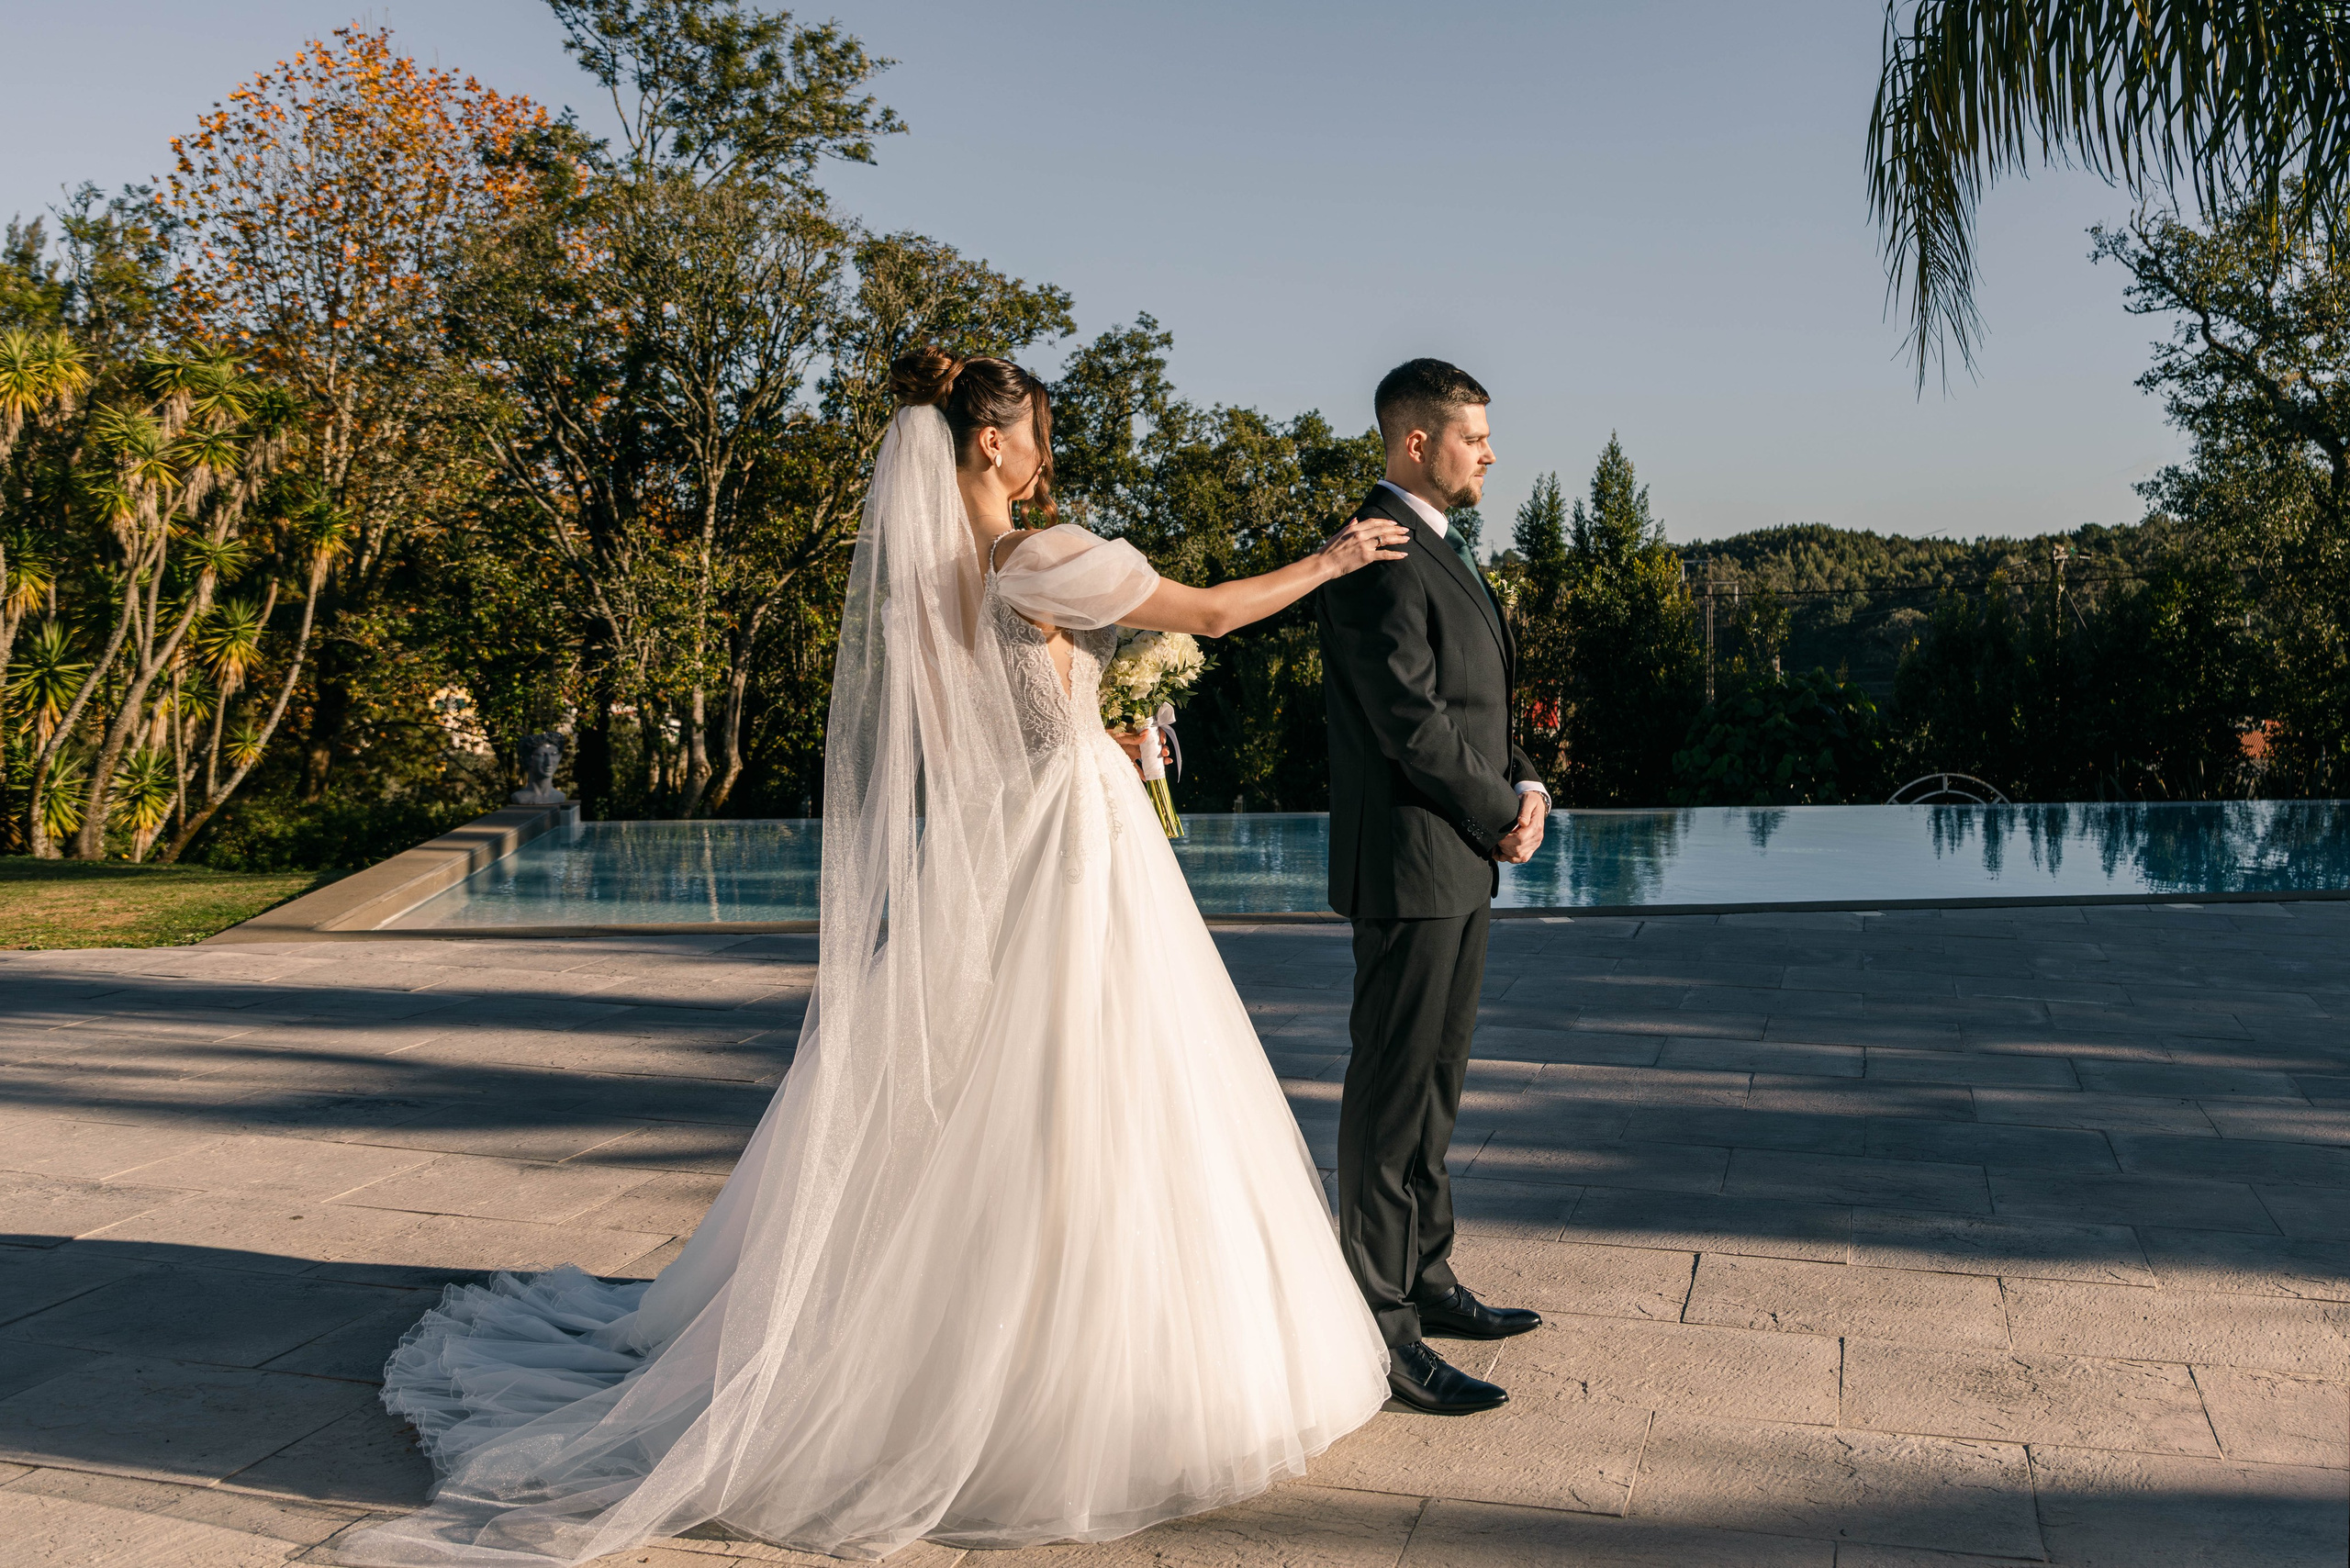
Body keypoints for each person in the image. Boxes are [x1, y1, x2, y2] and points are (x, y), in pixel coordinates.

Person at [350, 350, 1412, 1565]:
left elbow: (998, 726)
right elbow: (1213, 613)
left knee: (1003, 1108)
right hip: (1076, 861)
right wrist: (1333, 559)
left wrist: (1104, 715)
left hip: (1002, 862)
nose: (1045, 454)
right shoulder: (1033, 557)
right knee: (1096, 1101)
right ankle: (1071, 1380)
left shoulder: (923, 582)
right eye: (1037, 434)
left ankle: (954, 1342)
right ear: (994, 445)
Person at [1315, 358, 1550, 1416]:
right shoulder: (1375, 552)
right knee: (1392, 1092)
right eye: (1474, 437)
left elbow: (1479, 695)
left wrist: (1528, 779)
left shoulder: (1440, 544)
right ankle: (1381, 1320)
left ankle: (1429, 1273)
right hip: (1410, 859)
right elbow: (1409, 719)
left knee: (1440, 1082)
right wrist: (1497, 809)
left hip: (1458, 856)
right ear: (1416, 442)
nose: (1490, 453)